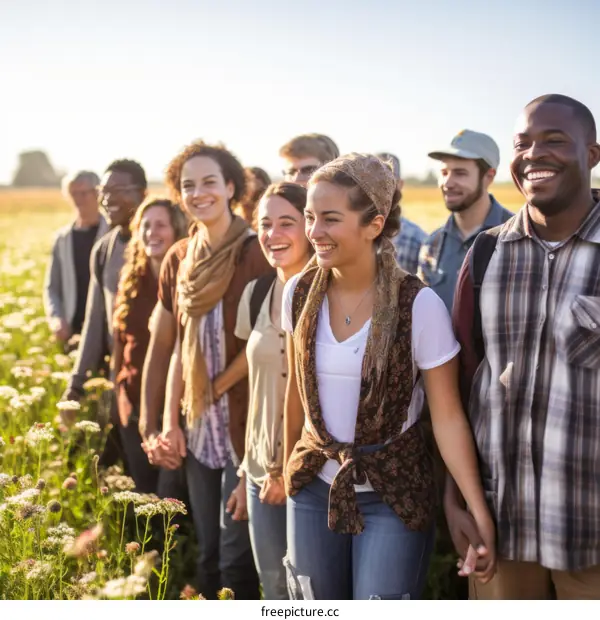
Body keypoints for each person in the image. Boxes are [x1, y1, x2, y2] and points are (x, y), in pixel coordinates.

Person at [282, 152, 496, 600]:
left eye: (330, 219)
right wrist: (291, 472)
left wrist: (474, 509)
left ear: (374, 224)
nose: (314, 232)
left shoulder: (418, 306)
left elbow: (448, 417)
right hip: (314, 489)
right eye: (309, 217)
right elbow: (296, 395)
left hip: (392, 494)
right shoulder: (299, 293)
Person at [446, 94, 600, 600]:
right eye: (523, 143)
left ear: (592, 154)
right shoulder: (485, 255)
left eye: (555, 140)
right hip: (501, 531)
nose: (535, 153)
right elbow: (463, 386)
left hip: (590, 535)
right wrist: (456, 498)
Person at [152, 140, 272, 600]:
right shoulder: (180, 257)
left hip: (245, 423)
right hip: (197, 424)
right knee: (206, 550)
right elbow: (180, 349)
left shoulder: (256, 252)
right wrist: (171, 422)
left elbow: (264, 345)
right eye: (188, 186)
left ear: (230, 187)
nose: (198, 193)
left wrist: (213, 391)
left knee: (235, 553)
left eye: (208, 182)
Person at [234, 183, 312, 599]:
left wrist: (286, 469)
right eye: (265, 224)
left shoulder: (328, 293)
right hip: (258, 472)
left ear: (310, 226)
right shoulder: (255, 294)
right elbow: (256, 390)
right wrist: (246, 469)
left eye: (287, 223)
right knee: (274, 591)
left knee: (311, 594)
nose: (273, 234)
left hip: (309, 475)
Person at [111, 197, 188, 492]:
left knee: (169, 491)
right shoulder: (130, 278)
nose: (151, 233)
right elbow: (118, 340)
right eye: (145, 226)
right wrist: (114, 390)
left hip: (172, 405)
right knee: (142, 488)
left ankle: (174, 541)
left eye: (160, 225)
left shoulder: (186, 278)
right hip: (131, 401)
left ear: (177, 230)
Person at [62, 159, 148, 406]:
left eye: (119, 191)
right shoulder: (103, 250)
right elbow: (94, 321)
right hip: (119, 379)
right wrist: (76, 385)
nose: (108, 199)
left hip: (161, 380)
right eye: (104, 191)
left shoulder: (162, 244)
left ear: (142, 193)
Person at [417, 130, 512, 312]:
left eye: (460, 173)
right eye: (444, 172)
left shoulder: (516, 236)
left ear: (488, 177)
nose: (448, 183)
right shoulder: (432, 245)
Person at [43, 170, 108, 348]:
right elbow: (51, 287)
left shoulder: (113, 234)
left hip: (107, 332)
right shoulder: (62, 239)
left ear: (98, 194)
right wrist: (56, 319)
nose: (78, 199)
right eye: (73, 194)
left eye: (84, 193)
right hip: (72, 332)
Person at [376, 152, 426, 275]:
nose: (381, 186)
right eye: (375, 179)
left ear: (400, 184)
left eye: (388, 179)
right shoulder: (353, 233)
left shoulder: (417, 239)